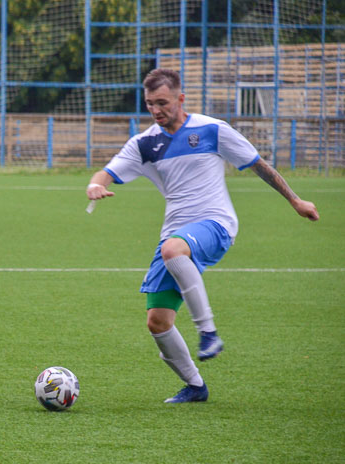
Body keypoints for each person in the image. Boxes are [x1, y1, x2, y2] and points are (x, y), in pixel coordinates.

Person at [86, 68, 319, 403]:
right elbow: (106, 172)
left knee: (172, 250)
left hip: (216, 223)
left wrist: (295, 200)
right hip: (176, 231)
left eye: (162, 102)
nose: (156, 110)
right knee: (158, 321)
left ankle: (208, 333)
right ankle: (195, 387)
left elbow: (258, 164)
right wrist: (95, 186)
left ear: (181, 99)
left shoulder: (212, 129)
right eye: (150, 104)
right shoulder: (145, 143)